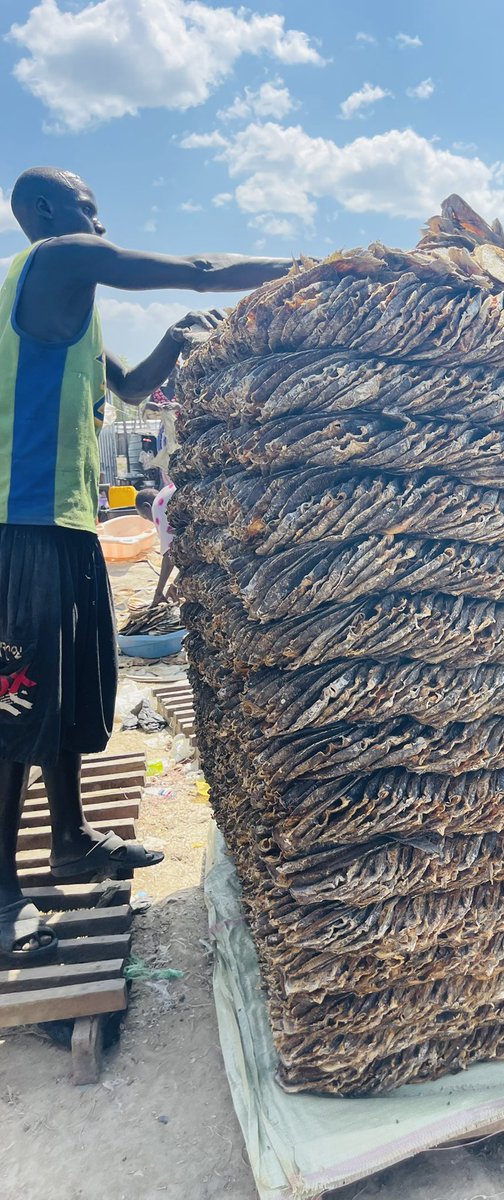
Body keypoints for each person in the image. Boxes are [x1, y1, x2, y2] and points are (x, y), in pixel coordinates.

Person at [0, 166, 295, 964]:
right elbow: (193, 267)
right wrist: (295, 270)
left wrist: (174, 338)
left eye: (98, 211)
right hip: (20, 528)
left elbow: (130, 387)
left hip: (65, 529)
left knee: (65, 699)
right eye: (80, 210)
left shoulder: (72, 315)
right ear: (40, 214)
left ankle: (71, 842)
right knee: (15, 710)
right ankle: (0, 896)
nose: (93, 223)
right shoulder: (54, 261)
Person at [136, 485, 176, 605]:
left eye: (147, 518)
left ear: (147, 507)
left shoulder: (158, 506)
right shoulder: (166, 491)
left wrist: (158, 592)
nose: (151, 521)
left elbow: (169, 555)